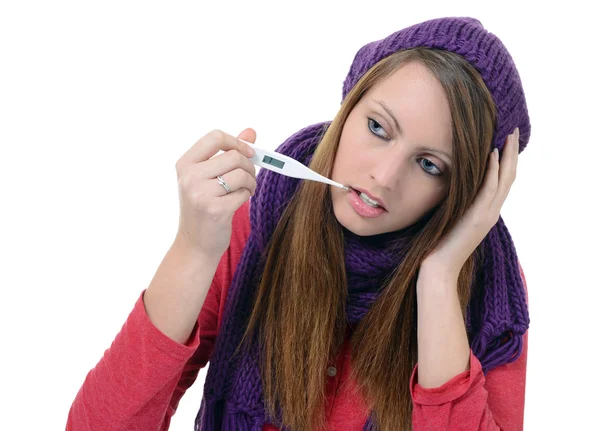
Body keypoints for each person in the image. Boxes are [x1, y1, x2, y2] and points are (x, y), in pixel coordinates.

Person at [67, 16, 530, 431]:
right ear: (349, 105)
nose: (385, 178)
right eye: (377, 128)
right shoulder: (254, 224)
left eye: (430, 165)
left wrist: (438, 280)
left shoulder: (488, 289)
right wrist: (193, 248)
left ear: (464, 191)